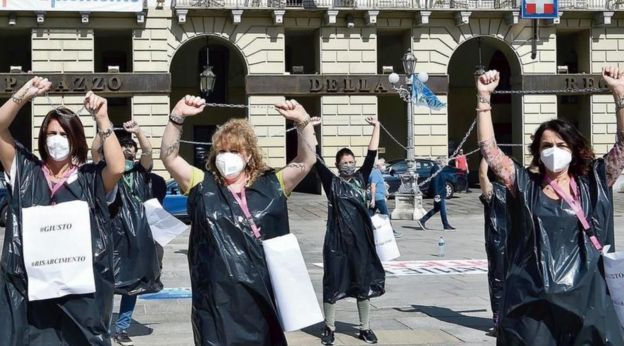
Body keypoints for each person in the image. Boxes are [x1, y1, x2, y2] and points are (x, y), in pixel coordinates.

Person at [477, 67, 624, 345]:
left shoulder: (593, 182)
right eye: (546, 145)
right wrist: (484, 98)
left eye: (560, 144)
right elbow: (490, 150)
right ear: (537, 150)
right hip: (534, 301)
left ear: (573, 149)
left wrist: (619, 94)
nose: (553, 151)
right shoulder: (523, 185)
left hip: (587, 299)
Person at [160, 96, 316, 345]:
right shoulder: (201, 183)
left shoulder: (273, 184)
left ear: (249, 156)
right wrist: (176, 118)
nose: (226, 156)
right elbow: (170, 157)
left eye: (234, 151)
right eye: (221, 151)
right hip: (216, 303)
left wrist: (303, 123)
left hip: (260, 299)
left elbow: (305, 162)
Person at [0, 78, 125, 345]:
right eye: (52, 134)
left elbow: (116, 167)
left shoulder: (90, 179)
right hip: (33, 298)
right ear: (43, 138)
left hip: (80, 299)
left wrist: (102, 119)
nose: (57, 140)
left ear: (76, 139)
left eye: (64, 134)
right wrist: (25, 93)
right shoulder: (25, 172)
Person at [316, 117, 386, 345]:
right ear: (337, 165)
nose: (349, 164)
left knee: (362, 284)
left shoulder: (361, 178)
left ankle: (365, 328)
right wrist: (308, 128)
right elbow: (315, 159)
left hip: (360, 243)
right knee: (332, 284)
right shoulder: (331, 183)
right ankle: (329, 327)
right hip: (336, 244)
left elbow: (371, 154)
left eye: (351, 161)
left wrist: (376, 127)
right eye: (344, 162)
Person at [92, 120, 162, 346]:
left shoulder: (141, 171)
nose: (127, 148)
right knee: (105, 282)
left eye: (131, 145)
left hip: (138, 234)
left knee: (133, 284)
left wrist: (139, 132)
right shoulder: (106, 170)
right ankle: (100, 326)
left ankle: (121, 328)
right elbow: (94, 150)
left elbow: (149, 151)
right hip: (111, 230)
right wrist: (103, 128)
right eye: (122, 145)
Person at [478, 158, 507, 336]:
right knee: (498, 280)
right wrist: (487, 154)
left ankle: (508, 318)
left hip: (515, 242)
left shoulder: (520, 190)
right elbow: (482, 174)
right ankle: (498, 320)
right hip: (498, 241)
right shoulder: (494, 191)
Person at [418, 158, 456, 230]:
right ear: (440, 161)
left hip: (441, 192)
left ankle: (422, 220)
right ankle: (446, 225)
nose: (445, 163)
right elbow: (435, 181)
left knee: (437, 208)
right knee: (443, 209)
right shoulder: (435, 168)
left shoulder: (439, 168)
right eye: (444, 161)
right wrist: (436, 194)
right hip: (439, 193)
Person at [369, 158, 402, 238]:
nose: (384, 166)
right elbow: (373, 186)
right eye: (383, 165)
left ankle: (365, 229)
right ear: (377, 166)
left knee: (369, 214)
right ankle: (391, 231)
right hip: (378, 197)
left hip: (378, 196)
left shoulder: (378, 172)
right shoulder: (376, 172)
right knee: (386, 215)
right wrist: (373, 199)